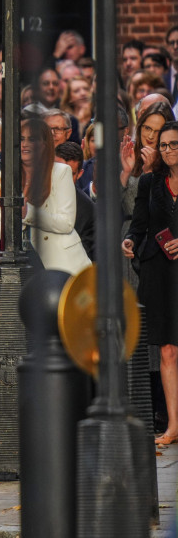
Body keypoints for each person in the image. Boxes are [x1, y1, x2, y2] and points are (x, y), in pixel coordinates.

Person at [122, 120, 178, 445]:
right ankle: (173, 425)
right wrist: (130, 241)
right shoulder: (148, 182)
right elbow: (139, 224)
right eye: (165, 145)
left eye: (174, 144)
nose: (169, 151)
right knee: (168, 350)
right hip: (159, 272)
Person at [0, 118, 91, 275]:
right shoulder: (6, 175)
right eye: (21, 139)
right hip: (21, 264)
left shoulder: (60, 172)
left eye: (32, 139)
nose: (25, 144)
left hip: (62, 264)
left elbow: (66, 223)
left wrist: (28, 213)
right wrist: (14, 220)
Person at [55, 141, 96, 261]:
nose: (63, 178)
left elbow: (84, 256)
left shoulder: (89, 210)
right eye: (59, 171)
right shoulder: (34, 196)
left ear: (79, 174)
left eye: (70, 174)